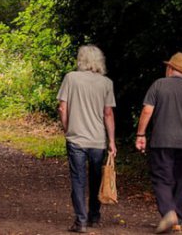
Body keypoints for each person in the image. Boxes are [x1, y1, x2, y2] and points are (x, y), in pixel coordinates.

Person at [135, 52, 182, 233]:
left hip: (162, 141)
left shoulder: (159, 85)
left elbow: (147, 111)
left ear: (170, 68)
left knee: (161, 178)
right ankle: (177, 221)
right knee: (180, 180)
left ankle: (169, 213)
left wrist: (140, 134)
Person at [57, 45, 117, 233]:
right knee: (96, 177)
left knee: (78, 179)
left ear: (81, 59)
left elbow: (62, 108)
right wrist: (112, 141)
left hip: (76, 139)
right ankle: (94, 216)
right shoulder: (107, 83)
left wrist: (68, 128)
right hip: (98, 140)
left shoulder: (71, 78)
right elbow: (108, 114)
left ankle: (80, 221)